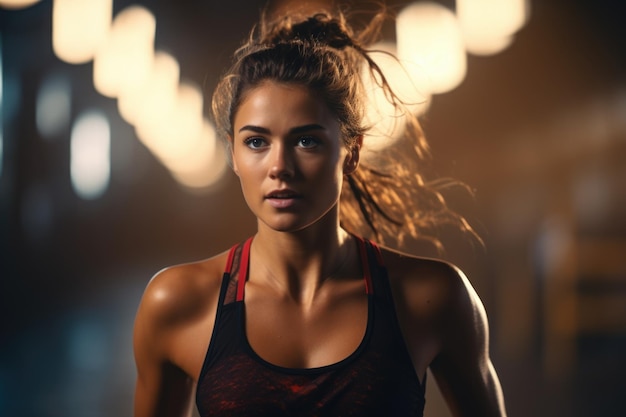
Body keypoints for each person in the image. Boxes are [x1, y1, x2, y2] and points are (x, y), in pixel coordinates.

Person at [133, 5, 507, 417]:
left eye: (306, 141)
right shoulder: (178, 304)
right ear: (233, 153)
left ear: (352, 152)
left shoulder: (430, 297)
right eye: (256, 142)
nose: (280, 167)